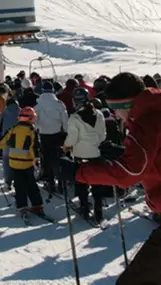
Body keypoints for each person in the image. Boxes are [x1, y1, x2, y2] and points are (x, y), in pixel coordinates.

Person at [61, 72, 161, 285]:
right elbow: (157, 155)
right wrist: (120, 152)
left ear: (127, 104)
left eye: (115, 109)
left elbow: (127, 174)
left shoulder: (148, 123)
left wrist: (79, 173)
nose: (114, 115)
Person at [63, 87, 108, 224]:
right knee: (97, 182)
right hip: (96, 153)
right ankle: (99, 211)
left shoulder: (75, 118)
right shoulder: (99, 114)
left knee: (81, 181)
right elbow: (102, 135)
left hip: (80, 154)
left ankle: (84, 207)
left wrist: (66, 146)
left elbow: (72, 139)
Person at [0, 107, 45, 216]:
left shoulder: (13, 129)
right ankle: (37, 205)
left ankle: (22, 207)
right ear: (30, 118)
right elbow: (33, 147)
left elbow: (3, 141)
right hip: (27, 163)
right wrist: (36, 160)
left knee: (19, 186)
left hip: (14, 163)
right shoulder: (31, 131)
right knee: (31, 185)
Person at [34, 81, 69, 194]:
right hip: (57, 135)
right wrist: (65, 131)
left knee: (46, 158)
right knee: (59, 158)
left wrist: (38, 128)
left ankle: (50, 183)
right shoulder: (59, 104)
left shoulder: (38, 105)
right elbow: (65, 120)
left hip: (44, 135)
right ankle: (61, 183)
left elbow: (35, 121)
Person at [0, 94, 21, 190]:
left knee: (6, 160)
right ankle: (19, 180)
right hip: (20, 139)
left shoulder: (4, 113)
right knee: (19, 160)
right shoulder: (21, 111)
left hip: (6, 140)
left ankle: (8, 182)